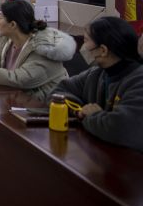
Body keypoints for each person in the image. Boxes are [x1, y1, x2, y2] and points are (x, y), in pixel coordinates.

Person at [50, 17, 143, 152]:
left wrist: (92, 115)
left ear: (103, 50)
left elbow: (121, 129)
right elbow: (58, 93)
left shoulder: (138, 81)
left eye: (86, 40)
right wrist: (79, 111)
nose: (83, 47)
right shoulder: (96, 74)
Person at [0, 0, 75, 101]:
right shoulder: (6, 39)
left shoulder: (43, 49)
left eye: (1, 18)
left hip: (47, 106)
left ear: (12, 24)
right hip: (14, 100)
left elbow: (20, 79)